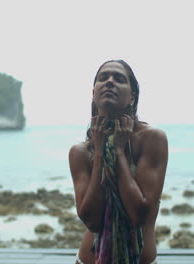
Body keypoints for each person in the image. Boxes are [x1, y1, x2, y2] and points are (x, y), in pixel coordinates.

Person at [69, 60, 168, 264]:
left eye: (119, 78)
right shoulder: (81, 152)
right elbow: (92, 221)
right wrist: (99, 155)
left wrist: (119, 153)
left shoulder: (151, 140)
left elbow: (139, 215)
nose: (110, 82)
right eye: (103, 78)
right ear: (94, 92)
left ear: (132, 96)